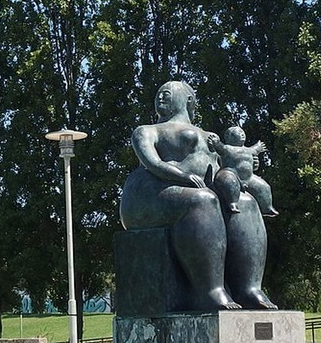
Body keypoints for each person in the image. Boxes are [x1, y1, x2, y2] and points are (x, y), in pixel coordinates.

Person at [119, 81, 277, 311]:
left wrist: (246, 165)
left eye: (167, 94)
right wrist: (181, 175)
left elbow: (226, 165)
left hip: (196, 189)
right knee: (202, 200)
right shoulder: (147, 130)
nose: (160, 98)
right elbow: (151, 162)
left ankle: (249, 289)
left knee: (246, 203)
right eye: (158, 95)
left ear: (189, 101)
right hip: (150, 194)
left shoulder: (209, 136)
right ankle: (209, 291)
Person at [207, 126, 278, 217]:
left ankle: (267, 207)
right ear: (229, 136)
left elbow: (255, 149)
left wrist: (259, 147)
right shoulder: (227, 148)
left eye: (242, 132)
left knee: (264, 187)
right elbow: (219, 147)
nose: (242, 134)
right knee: (230, 183)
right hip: (230, 173)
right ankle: (232, 203)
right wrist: (215, 142)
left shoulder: (249, 150)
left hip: (249, 177)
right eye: (238, 132)